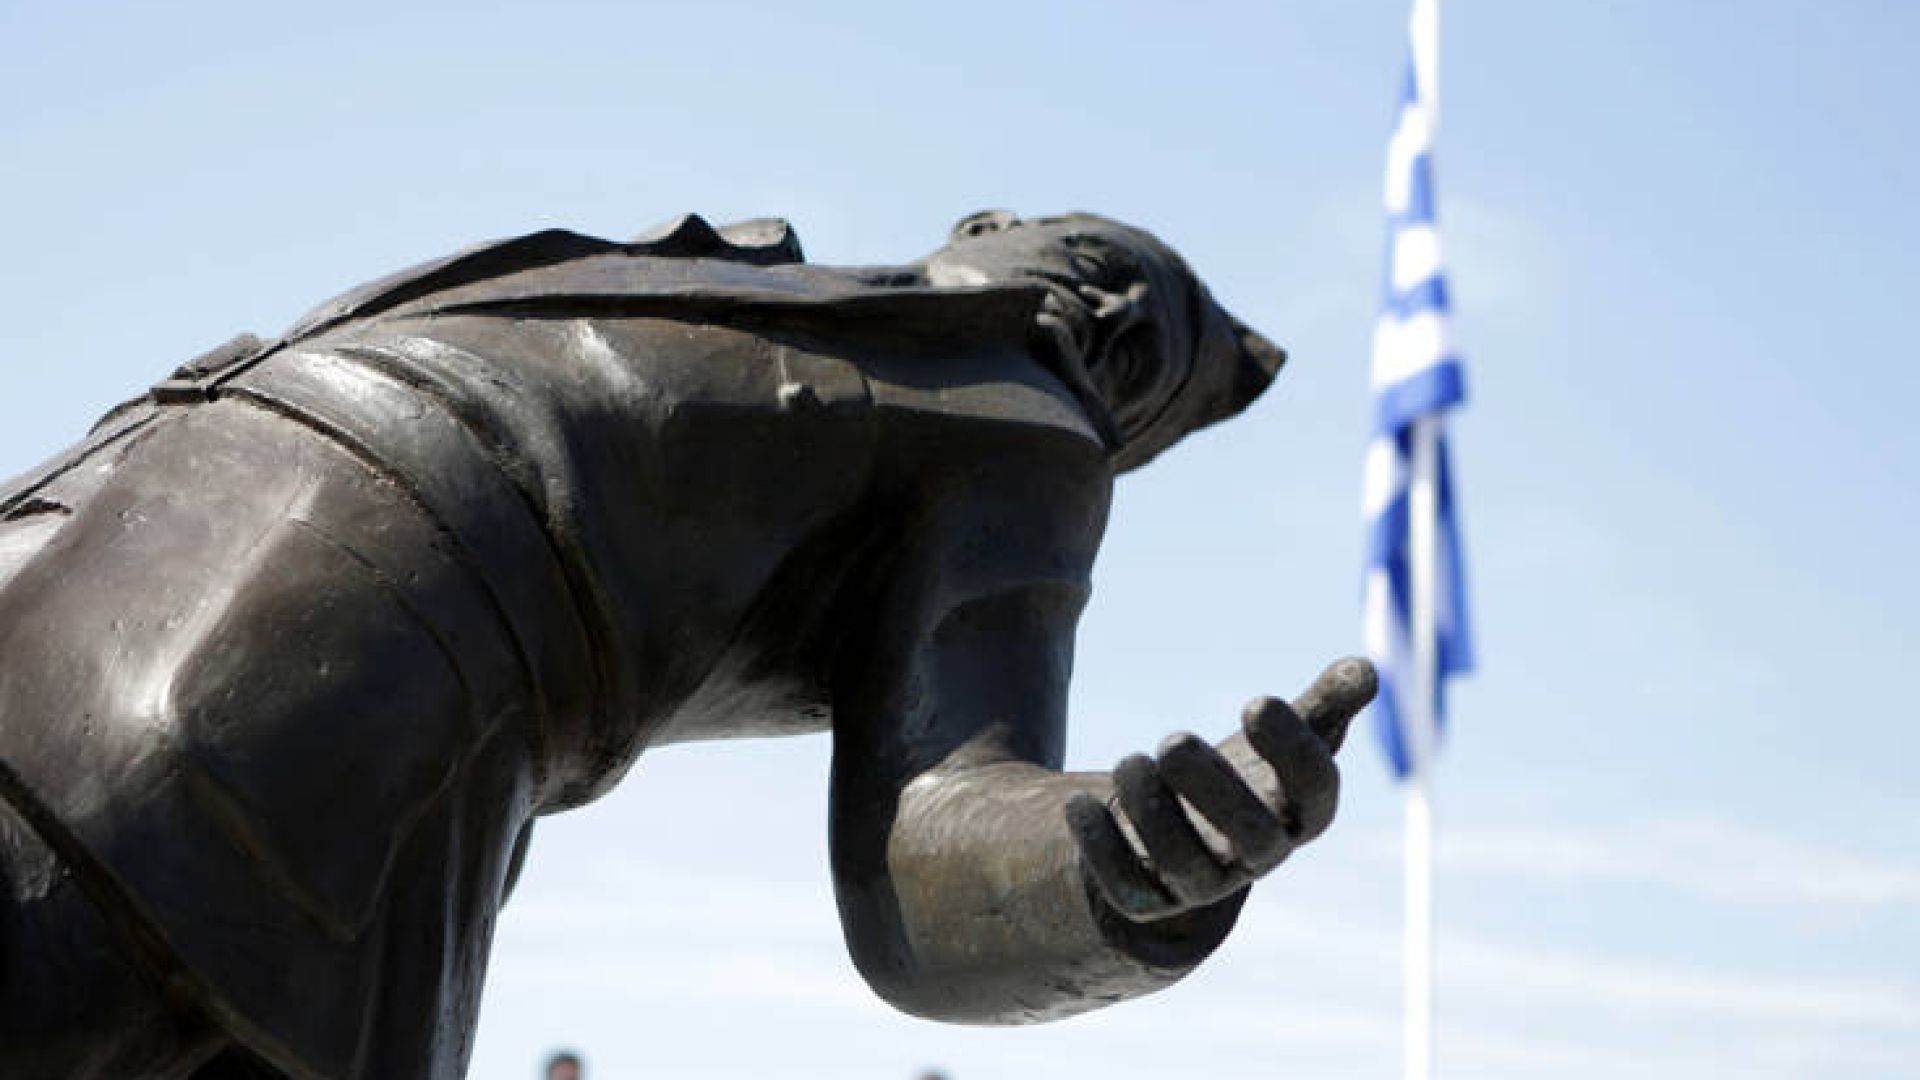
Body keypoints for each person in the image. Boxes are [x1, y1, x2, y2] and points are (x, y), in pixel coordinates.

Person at [0, 210, 1374, 1078]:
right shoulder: (748, 262)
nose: (1113, 320)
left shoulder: (1023, 432)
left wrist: (1118, 866)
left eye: (1141, 362)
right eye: (1114, 269)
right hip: (90, 505)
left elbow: (933, 838)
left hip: (323, 639)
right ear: (993, 225)